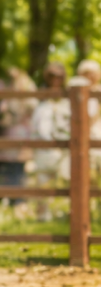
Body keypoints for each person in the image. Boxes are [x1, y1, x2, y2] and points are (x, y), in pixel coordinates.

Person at [30, 63, 71, 220]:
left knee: (65, 181)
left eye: (59, 76)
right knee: (44, 181)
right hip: (44, 147)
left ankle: (64, 214)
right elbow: (37, 123)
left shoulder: (67, 99)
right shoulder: (41, 99)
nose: (56, 80)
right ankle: (43, 216)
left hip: (64, 146)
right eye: (53, 76)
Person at [75, 60, 101, 183]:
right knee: (87, 178)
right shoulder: (78, 95)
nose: (91, 77)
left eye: (94, 73)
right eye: (87, 73)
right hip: (85, 141)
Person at [0, 68, 37, 202]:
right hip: (8, 134)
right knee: (7, 168)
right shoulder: (7, 88)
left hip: (20, 134)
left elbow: (32, 107)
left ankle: (17, 201)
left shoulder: (27, 87)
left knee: (18, 169)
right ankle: (8, 199)